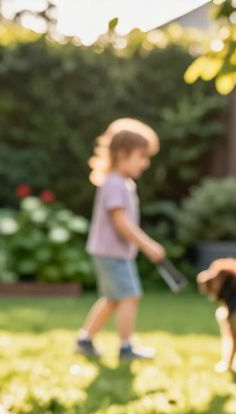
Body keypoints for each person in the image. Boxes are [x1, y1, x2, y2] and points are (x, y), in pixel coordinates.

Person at [76, 118, 167, 360]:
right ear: (122, 154)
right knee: (129, 296)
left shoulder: (122, 183)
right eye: (142, 156)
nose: (145, 163)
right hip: (112, 253)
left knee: (113, 298)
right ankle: (126, 347)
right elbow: (121, 223)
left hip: (109, 252)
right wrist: (148, 245)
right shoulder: (115, 184)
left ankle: (85, 340)